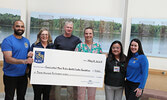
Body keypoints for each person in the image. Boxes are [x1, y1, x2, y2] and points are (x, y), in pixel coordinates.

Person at [1, 20, 33, 100]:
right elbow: (8, 59)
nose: (20, 28)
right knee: (9, 97)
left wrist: (29, 56)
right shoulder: (7, 41)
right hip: (10, 76)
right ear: (13, 27)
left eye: (22, 26)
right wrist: (24, 61)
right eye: (17, 26)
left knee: (21, 97)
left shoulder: (26, 41)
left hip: (23, 76)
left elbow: (25, 55)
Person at [54, 21, 81, 100]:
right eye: (67, 27)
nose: (69, 29)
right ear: (64, 28)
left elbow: (81, 52)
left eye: (71, 27)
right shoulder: (58, 39)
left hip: (71, 68)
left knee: (70, 88)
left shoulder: (76, 40)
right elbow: (53, 52)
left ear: (72, 29)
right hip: (59, 67)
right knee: (57, 87)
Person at [75, 27, 102, 100]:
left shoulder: (98, 47)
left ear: (93, 35)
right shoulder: (79, 46)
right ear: (84, 35)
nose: (88, 35)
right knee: (80, 96)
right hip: (81, 75)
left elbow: (100, 62)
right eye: (86, 33)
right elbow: (75, 60)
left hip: (93, 75)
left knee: (92, 96)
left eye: (90, 33)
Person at [28, 28, 53, 100]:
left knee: (46, 95)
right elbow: (29, 58)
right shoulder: (35, 46)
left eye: (46, 34)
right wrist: (29, 55)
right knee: (37, 95)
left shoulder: (52, 46)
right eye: (42, 34)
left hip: (48, 75)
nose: (44, 36)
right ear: (39, 36)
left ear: (48, 36)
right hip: (37, 75)